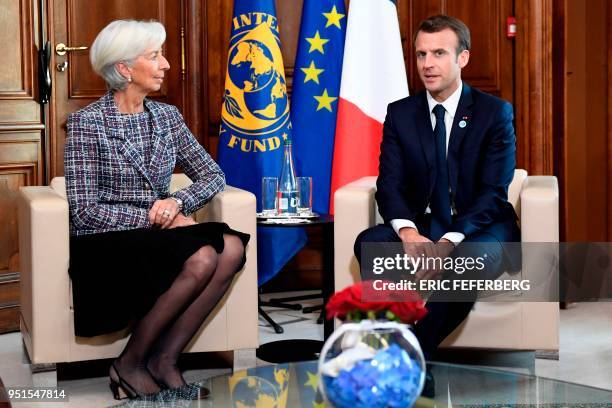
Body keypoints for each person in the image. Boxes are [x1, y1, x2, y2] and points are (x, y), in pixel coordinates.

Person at [64, 20, 249, 400]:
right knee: (200, 258)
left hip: (159, 234)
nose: (165, 64)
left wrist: (178, 202)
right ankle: (129, 364)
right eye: (155, 56)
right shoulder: (87, 123)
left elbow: (213, 175)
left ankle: (165, 360)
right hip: (107, 239)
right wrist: (156, 216)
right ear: (124, 69)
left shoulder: (167, 118)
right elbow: (83, 210)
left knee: (231, 248)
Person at [354, 15, 521, 396]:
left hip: (480, 227)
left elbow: (494, 192)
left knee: (465, 263)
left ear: (463, 58)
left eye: (439, 53)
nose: (427, 63)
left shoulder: (495, 113)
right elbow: (390, 184)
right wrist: (409, 233)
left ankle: (411, 361)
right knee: (369, 243)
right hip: (423, 224)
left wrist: (447, 244)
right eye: (421, 54)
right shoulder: (401, 113)